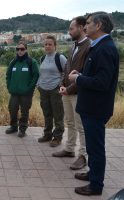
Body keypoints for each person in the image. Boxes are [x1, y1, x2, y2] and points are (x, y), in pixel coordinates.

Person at [69, 12, 119, 196]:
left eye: (88, 23)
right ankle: (93, 174)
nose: (85, 27)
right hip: (91, 106)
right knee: (92, 146)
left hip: (96, 108)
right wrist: (81, 75)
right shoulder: (98, 46)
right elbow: (95, 76)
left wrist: (78, 79)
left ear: (98, 26)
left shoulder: (105, 49)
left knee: (96, 148)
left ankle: (96, 185)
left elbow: (101, 82)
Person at [52, 16, 90, 170]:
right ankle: (69, 149)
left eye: (71, 28)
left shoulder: (89, 47)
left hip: (78, 93)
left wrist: (68, 89)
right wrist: (62, 84)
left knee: (81, 126)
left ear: (81, 28)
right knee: (70, 122)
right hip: (67, 92)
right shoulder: (73, 46)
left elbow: (84, 73)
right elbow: (66, 68)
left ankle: (83, 156)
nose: (69, 31)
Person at [37, 35, 67, 147]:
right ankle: (47, 134)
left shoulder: (60, 58)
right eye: (46, 44)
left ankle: (57, 137)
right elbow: (42, 74)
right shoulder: (42, 58)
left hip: (55, 90)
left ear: (55, 46)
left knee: (58, 114)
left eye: (50, 44)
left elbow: (67, 72)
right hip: (43, 90)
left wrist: (61, 84)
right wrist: (38, 85)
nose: (47, 46)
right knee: (47, 113)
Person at [5, 41, 39, 137]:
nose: (20, 51)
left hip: (26, 93)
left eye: (22, 49)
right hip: (14, 92)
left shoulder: (31, 62)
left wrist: (29, 88)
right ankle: (13, 127)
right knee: (12, 109)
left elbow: (36, 76)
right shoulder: (13, 62)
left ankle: (22, 129)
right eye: (18, 49)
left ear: (26, 50)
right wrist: (9, 86)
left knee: (24, 111)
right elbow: (8, 75)